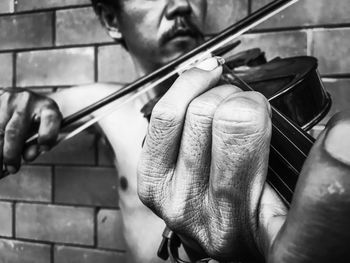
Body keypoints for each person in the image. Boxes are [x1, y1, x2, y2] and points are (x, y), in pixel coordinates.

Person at [0, 0, 349, 262]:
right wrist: (20, 110)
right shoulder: (109, 104)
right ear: (111, 19)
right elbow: (46, 107)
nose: (182, 3)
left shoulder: (253, 90)